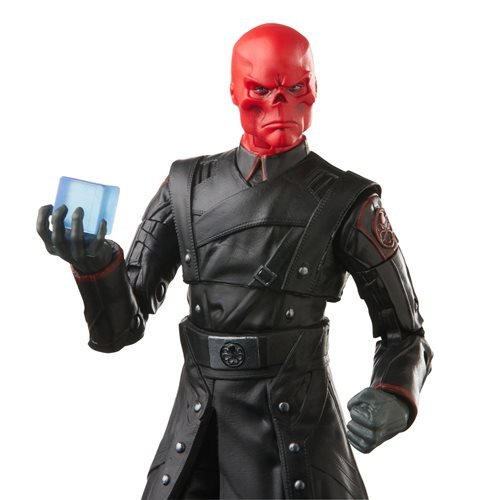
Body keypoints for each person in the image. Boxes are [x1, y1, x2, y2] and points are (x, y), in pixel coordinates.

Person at [37, 23, 432, 500]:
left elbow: (404, 333)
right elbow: (119, 329)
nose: (280, 106)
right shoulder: (185, 187)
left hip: (295, 430)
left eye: (295, 89)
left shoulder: (349, 201)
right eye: (261, 91)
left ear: (314, 89)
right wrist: (96, 268)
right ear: (235, 92)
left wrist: (394, 395)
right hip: (199, 423)